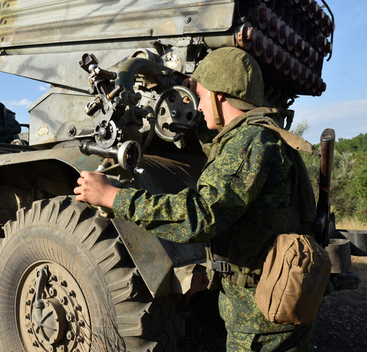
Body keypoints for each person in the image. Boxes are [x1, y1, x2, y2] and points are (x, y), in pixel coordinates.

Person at [74, 47, 318, 351]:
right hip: (278, 301)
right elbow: (219, 147)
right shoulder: (264, 135)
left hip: (262, 321)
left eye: (201, 97)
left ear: (219, 97)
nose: (198, 107)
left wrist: (113, 197)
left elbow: (199, 216)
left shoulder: (247, 145)